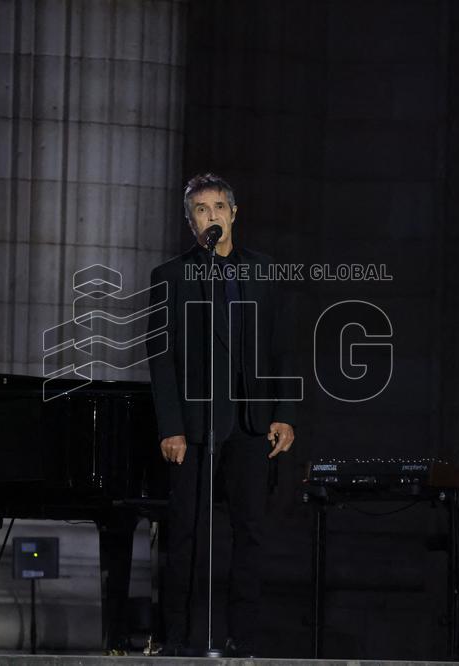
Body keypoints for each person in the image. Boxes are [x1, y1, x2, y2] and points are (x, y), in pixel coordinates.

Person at [147, 173, 297, 657]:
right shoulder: (171, 276)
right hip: (194, 426)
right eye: (199, 209)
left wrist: (283, 413)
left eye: (217, 207)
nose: (210, 216)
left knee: (250, 532)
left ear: (234, 213)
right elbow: (161, 357)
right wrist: (170, 425)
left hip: (251, 423)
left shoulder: (264, 270)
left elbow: (282, 349)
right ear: (189, 222)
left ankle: (242, 638)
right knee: (187, 532)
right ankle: (178, 638)